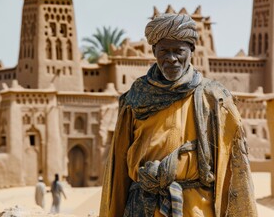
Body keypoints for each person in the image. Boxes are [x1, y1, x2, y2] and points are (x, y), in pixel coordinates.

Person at [99, 13, 258, 217]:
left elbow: (235, 170)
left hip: (196, 208)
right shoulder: (135, 98)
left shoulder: (214, 98)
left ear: (191, 50)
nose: (171, 59)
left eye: (178, 51)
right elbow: (118, 171)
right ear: (154, 50)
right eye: (164, 51)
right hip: (143, 207)